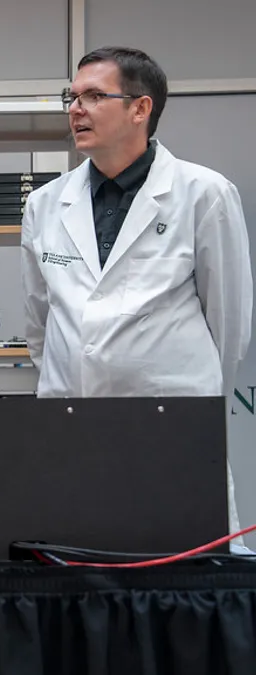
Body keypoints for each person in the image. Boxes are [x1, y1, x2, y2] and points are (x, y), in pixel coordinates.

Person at [21, 47, 253, 544]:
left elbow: (229, 323)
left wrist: (196, 399)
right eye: (72, 96)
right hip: (71, 424)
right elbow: (39, 323)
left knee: (180, 575)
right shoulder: (44, 205)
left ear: (140, 109)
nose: (75, 109)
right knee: (76, 568)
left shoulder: (203, 193)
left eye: (93, 96)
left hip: (170, 428)